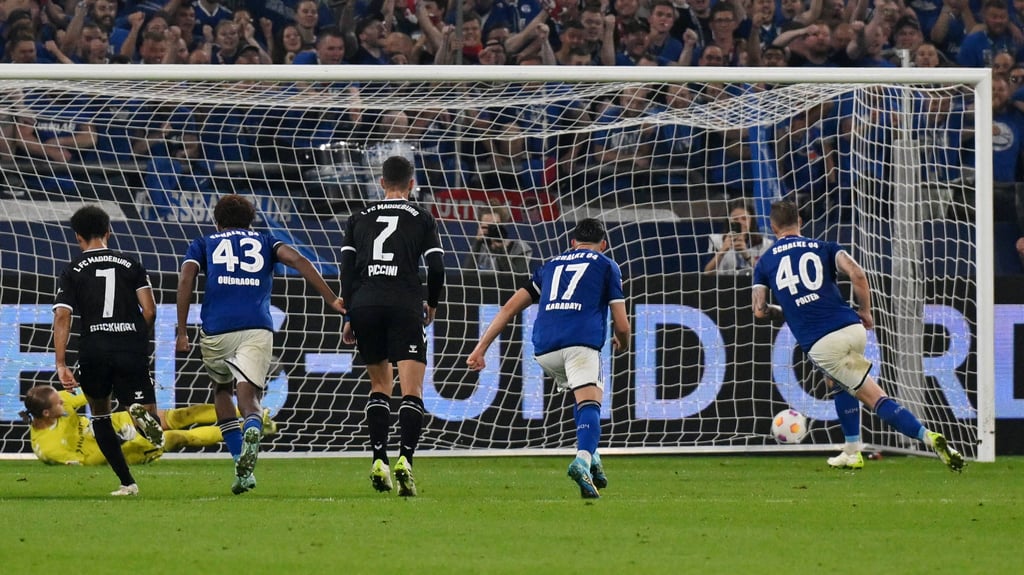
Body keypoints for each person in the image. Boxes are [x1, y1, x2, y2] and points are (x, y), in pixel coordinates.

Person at [751, 200, 965, 472]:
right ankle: (852, 451)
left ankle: (929, 438)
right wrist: (866, 311)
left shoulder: (766, 261)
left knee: (874, 397)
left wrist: (787, 309)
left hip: (822, 343)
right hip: (852, 328)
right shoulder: (824, 247)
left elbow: (759, 310)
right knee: (837, 383)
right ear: (800, 222)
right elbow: (858, 274)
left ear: (772, 225)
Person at [176, 194, 345, 494]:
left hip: (217, 329)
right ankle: (253, 424)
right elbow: (299, 260)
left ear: (217, 222)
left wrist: (181, 330)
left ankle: (241, 463)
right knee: (249, 396)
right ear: (251, 220)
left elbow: (187, 276)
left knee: (222, 390)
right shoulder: (267, 242)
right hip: (257, 327)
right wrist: (331, 298)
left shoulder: (204, 243)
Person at [466, 218, 631, 499]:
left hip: (543, 351)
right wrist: (623, 343)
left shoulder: (551, 266)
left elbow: (508, 308)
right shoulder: (607, 266)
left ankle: (595, 457)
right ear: (603, 245)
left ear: (572, 243)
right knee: (592, 401)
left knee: (582, 395)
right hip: (580, 345)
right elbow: (623, 325)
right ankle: (583, 460)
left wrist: (480, 348)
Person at [340, 156, 446, 497]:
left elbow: (346, 269)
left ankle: (379, 459)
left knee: (379, 385)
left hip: (365, 303)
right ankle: (406, 462)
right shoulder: (423, 217)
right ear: (412, 184)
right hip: (404, 302)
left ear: (382, 183)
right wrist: (431, 302)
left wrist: (348, 314)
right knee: (411, 390)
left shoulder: (358, 218)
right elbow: (437, 265)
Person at [53, 205, 164, 496]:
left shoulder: (72, 270)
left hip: (94, 348)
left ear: (77, 236)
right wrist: (137, 337)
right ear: (108, 232)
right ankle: (138, 412)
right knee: (148, 416)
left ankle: (127, 482)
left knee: (100, 413)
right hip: (129, 345)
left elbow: (62, 316)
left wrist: (61, 363)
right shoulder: (131, 264)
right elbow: (150, 310)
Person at [20, 385, 279, 466]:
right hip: (122, 449)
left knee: (181, 415)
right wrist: (120, 441)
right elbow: (88, 464)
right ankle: (252, 430)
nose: (63, 405)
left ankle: (254, 416)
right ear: (46, 413)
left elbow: (86, 395)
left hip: (118, 422)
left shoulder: (61, 403)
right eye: (58, 405)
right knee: (178, 437)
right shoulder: (49, 448)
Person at [704, 200, 774, 275]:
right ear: (729, 221)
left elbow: (767, 274)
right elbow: (707, 272)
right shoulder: (716, 240)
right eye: (735, 219)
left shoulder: (766, 244)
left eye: (744, 218)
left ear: (751, 220)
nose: (740, 222)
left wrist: (747, 255)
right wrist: (723, 250)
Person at [463, 210, 534, 274]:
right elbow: (466, 278)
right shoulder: (480, 249)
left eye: (494, 226)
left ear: (503, 226)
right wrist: (477, 243)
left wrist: (501, 250)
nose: (491, 230)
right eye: (486, 227)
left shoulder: (519, 248)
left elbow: (515, 280)